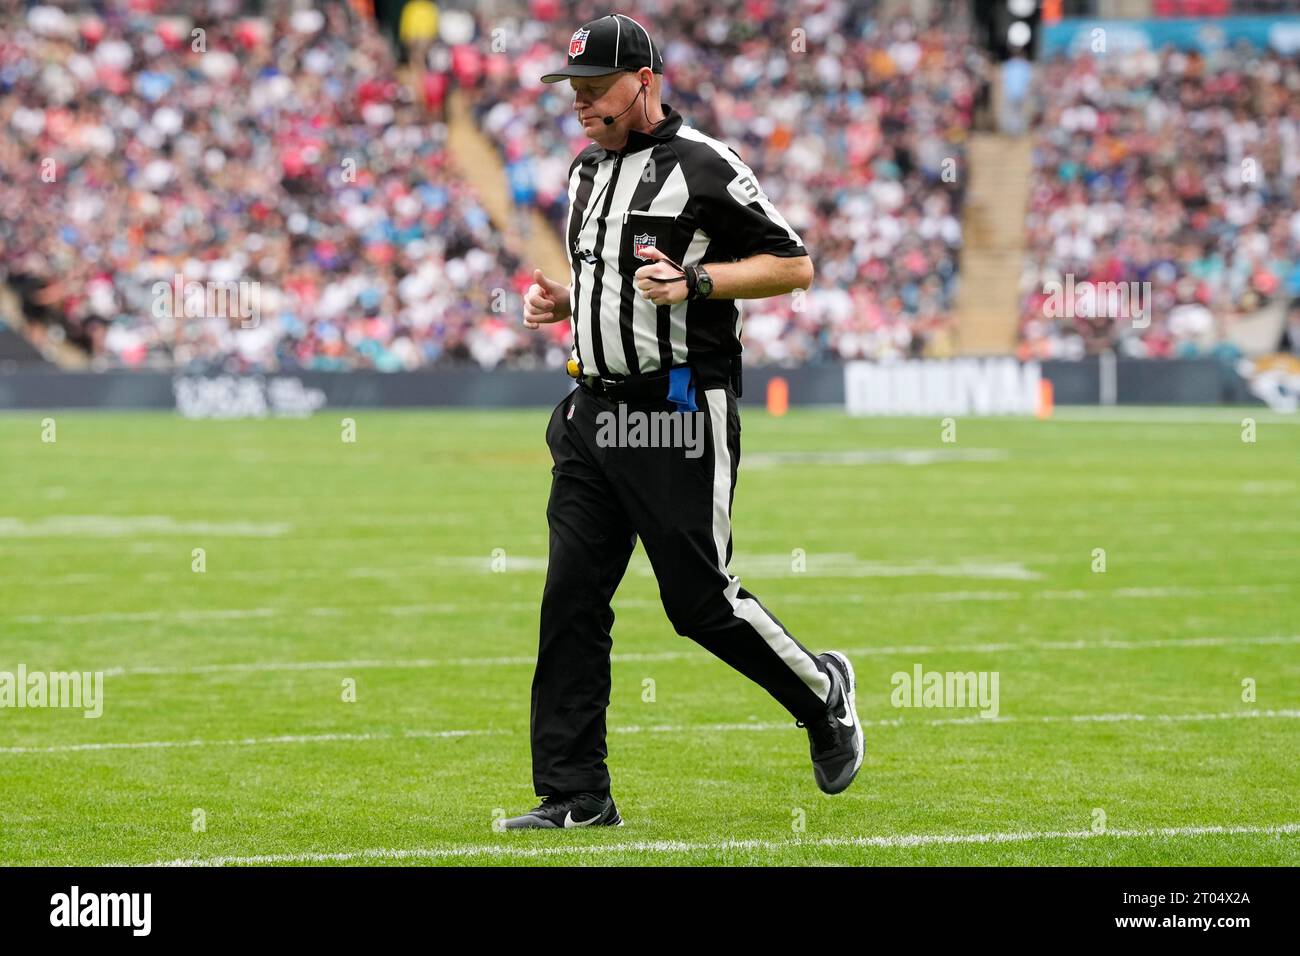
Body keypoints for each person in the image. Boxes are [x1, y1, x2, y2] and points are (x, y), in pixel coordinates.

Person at [502, 14, 863, 829]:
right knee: (569, 601)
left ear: (645, 79)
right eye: (574, 89)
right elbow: (605, 276)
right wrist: (566, 301)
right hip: (592, 411)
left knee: (700, 605)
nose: (582, 102)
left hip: (674, 412)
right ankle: (576, 795)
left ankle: (823, 693)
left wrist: (698, 283)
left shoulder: (705, 164)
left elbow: (794, 265)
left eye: (596, 88)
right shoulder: (585, 170)